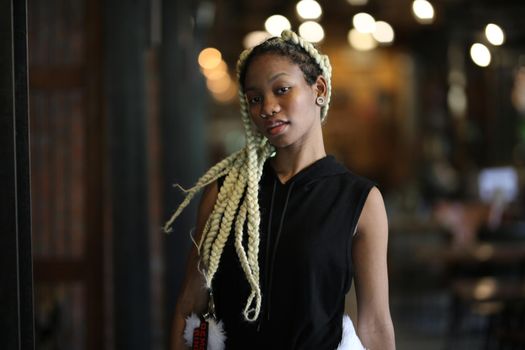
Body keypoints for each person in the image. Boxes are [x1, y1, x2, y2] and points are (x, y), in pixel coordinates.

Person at [166, 30, 395, 350]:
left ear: (320, 89)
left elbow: (374, 321)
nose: (267, 107)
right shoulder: (227, 192)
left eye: (282, 89)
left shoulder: (358, 199)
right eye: (255, 98)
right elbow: (190, 306)